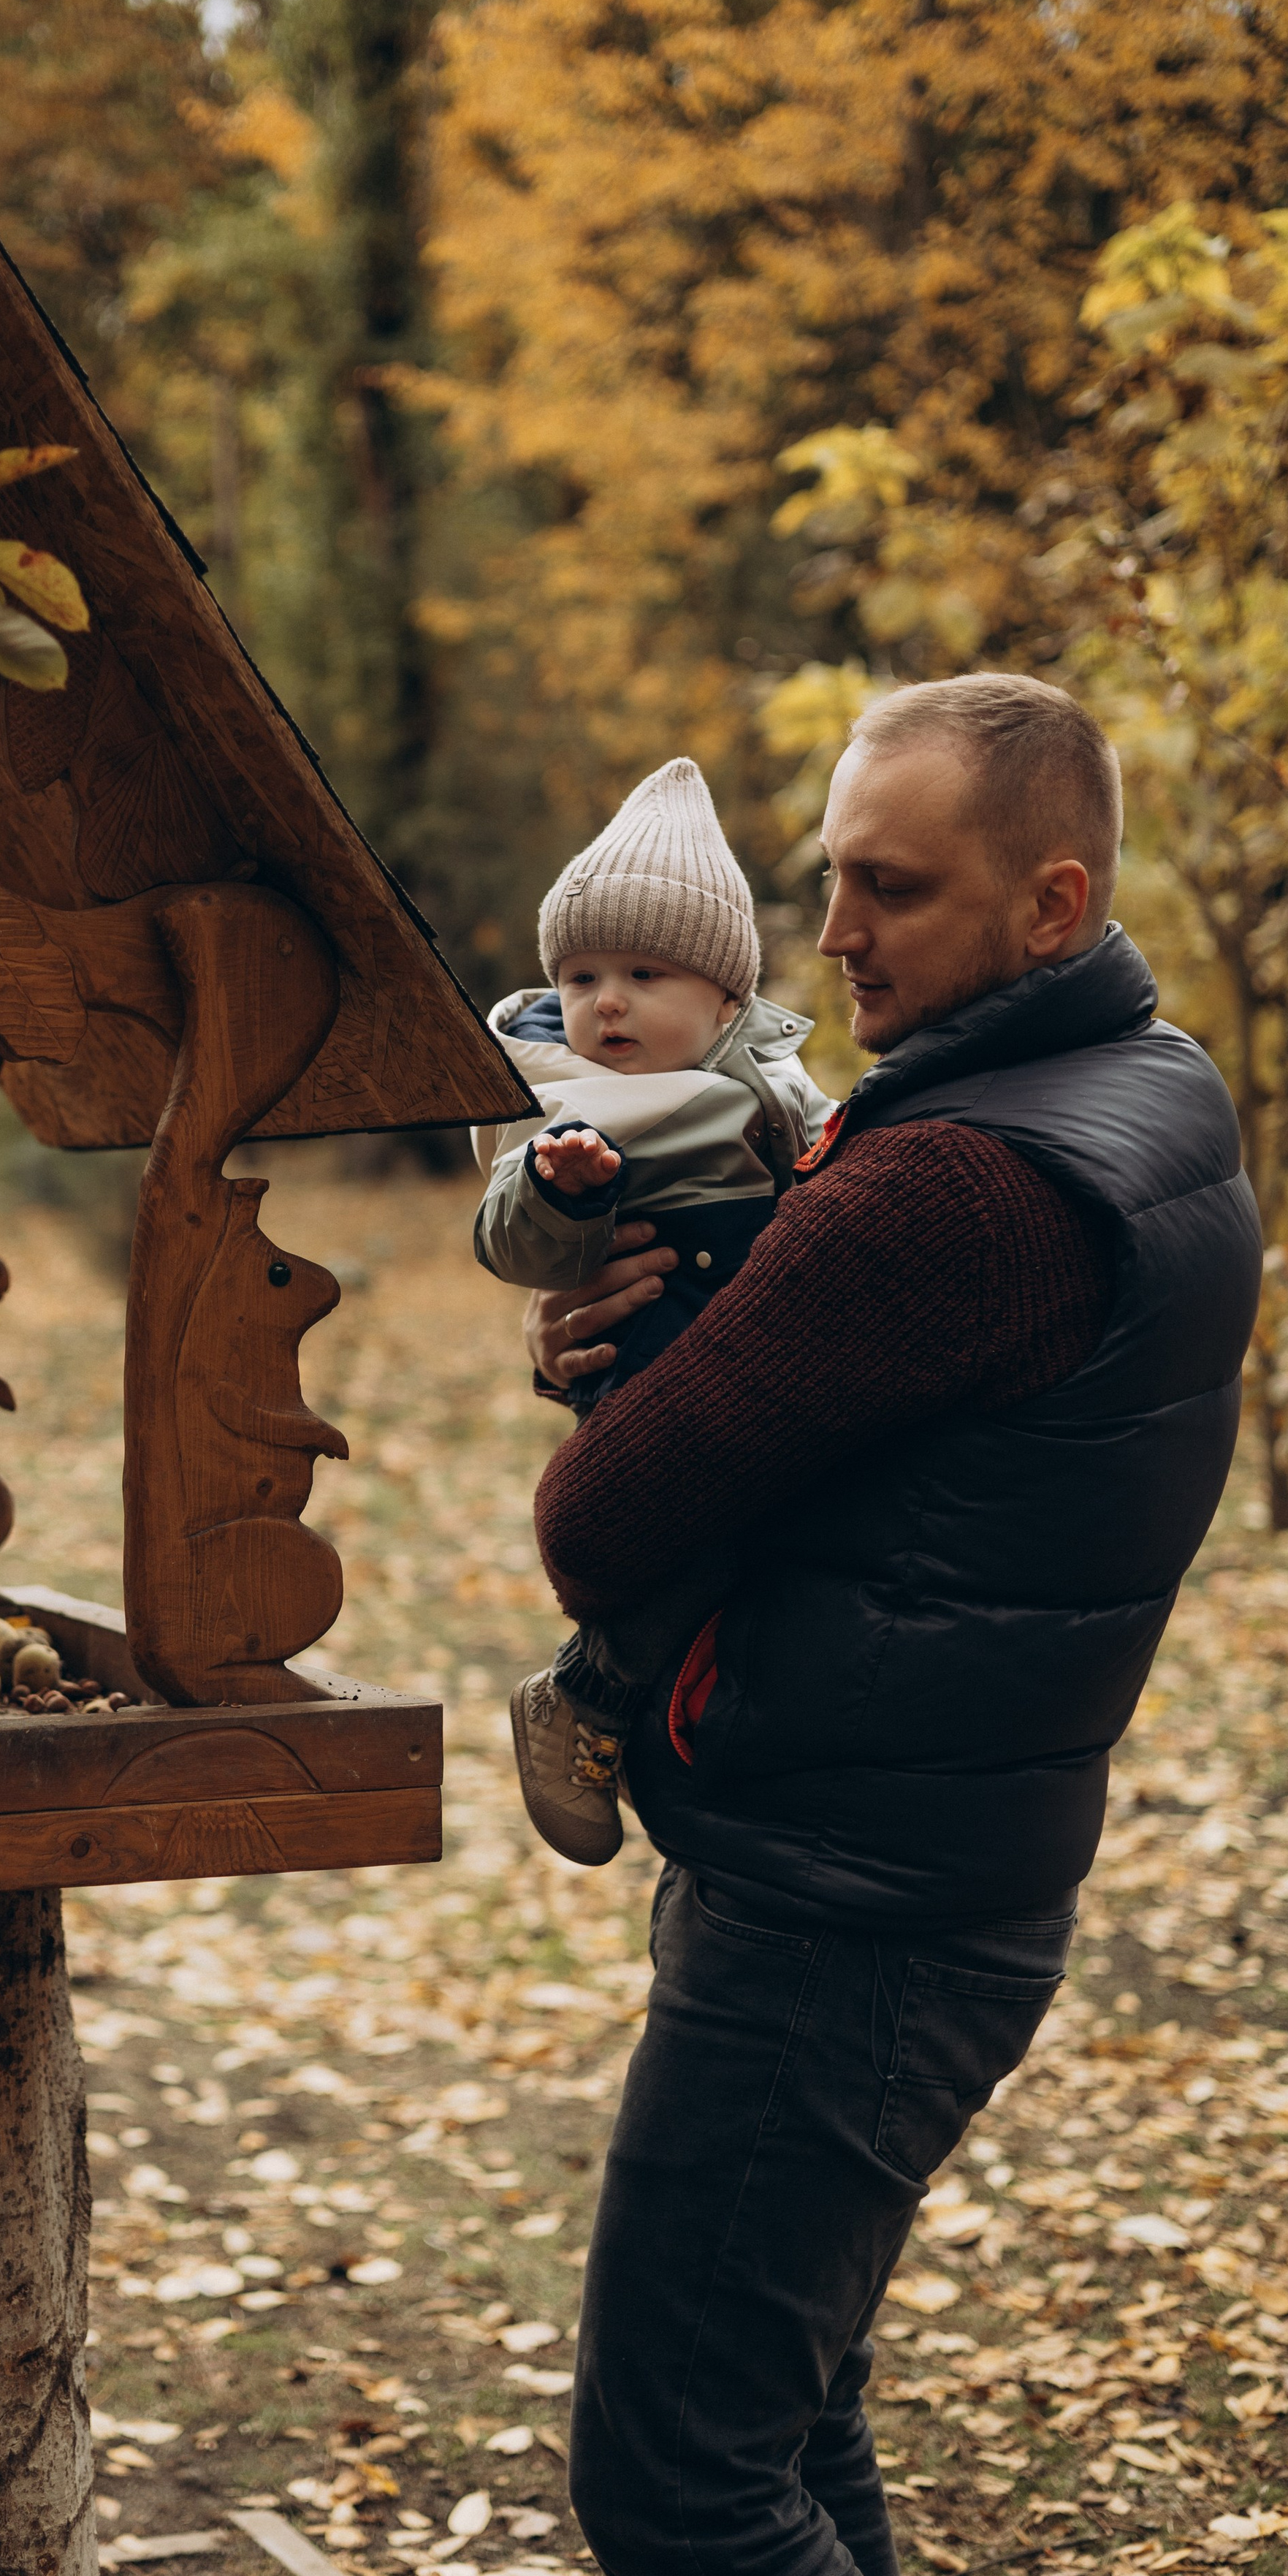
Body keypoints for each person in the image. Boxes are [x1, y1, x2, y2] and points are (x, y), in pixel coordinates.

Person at [524, 674, 1260, 2576]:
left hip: (839, 1914)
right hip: (949, 1862)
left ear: (1051, 901)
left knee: (676, 2482)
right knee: (788, 2418)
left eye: (891, 888)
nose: (832, 931)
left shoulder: (950, 1185)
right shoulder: (1155, 1091)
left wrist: (609, 1379)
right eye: (831, 874)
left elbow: (605, 1525)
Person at [471, 758, 831, 1864]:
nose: (605, 1002)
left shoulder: (770, 1076)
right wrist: (557, 1190)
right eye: (579, 976)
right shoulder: (554, 1102)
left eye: (642, 973)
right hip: (652, 1337)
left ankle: (626, 1701)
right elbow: (506, 1242)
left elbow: (834, 1155)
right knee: (699, 1524)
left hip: (758, 1338)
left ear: (728, 1000)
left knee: (754, 1538)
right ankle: (593, 1689)